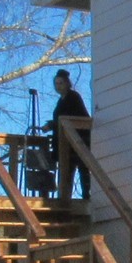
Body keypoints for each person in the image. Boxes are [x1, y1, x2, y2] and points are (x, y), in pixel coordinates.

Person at [51, 69, 91, 202]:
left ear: (67, 83)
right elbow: (60, 119)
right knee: (67, 169)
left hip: (78, 139)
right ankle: (64, 197)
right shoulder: (60, 101)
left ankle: (86, 194)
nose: (58, 86)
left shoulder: (73, 97)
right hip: (65, 142)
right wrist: (51, 125)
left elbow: (73, 116)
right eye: (56, 83)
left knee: (82, 167)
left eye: (61, 83)